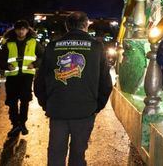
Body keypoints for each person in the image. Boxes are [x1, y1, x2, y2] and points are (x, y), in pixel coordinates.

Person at [34, 11, 113, 166]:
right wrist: (97, 106)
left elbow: (39, 82)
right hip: (85, 111)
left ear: (67, 26)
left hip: (58, 109)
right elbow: (106, 83)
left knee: (55, 154)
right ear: (86, 25)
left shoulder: (52, 46)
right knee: (78, 154)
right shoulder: (97, 47)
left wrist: (47, 104)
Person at [0, 20, 44, 137]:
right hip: (12, 77)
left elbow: (43, 56)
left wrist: (34, 64)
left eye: (23, 29)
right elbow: (1, 59)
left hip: (26, 76)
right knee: (12, 101)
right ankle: (15, 124)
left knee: (25, 100)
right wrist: (6, 66)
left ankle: (22, 123)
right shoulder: (8, 43)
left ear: (28, 30)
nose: (21, 31)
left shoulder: (33, 42)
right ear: (15, 30)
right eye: (19, 29)